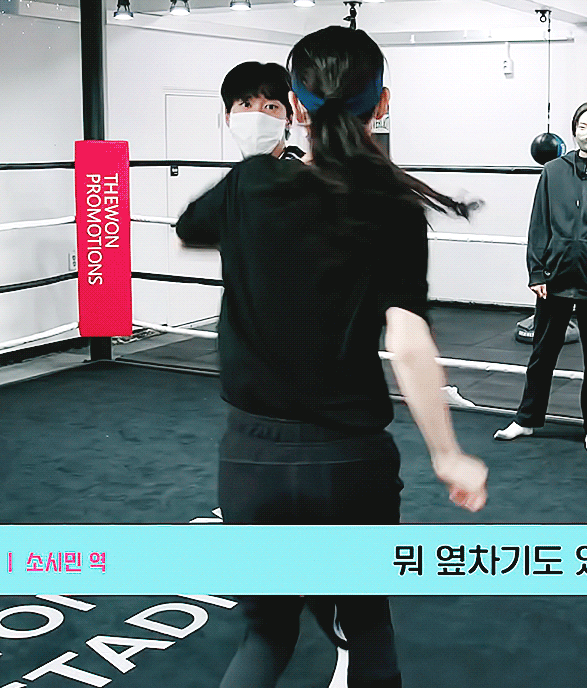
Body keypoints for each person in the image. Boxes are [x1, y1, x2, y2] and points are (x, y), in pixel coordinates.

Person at [175, 25, 488, 688]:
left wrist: (266, 163)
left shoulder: (249, 185)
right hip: (350, 461)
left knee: (266, 636)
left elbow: (189, 228)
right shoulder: (391, 205)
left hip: (252, 458)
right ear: (383, 104)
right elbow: (407, 340)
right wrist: (447, 454)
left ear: (295, 105)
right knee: (368, 625)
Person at [495, 101, 587, 453]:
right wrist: (537, 271)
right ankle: (526, 420)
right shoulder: (553, 172)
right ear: (574, 131)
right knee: (542, 355)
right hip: (555, 277)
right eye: (582, 126)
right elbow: (539, 224)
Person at [221, 60, 305, 161]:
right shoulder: (239, 170)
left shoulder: (308, 168)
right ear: (228, 117)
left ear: (289, 118)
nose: (258, 116)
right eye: (246, 105)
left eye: (270, 107)